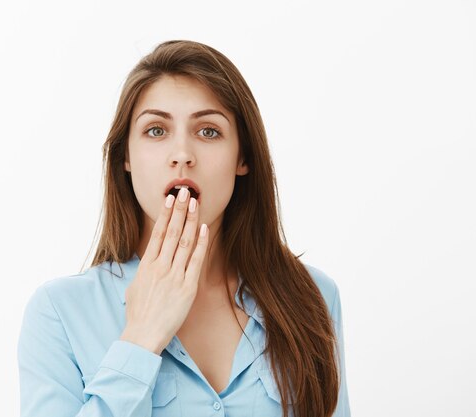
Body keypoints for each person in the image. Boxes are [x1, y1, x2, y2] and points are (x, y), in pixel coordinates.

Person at [17, 39, 351, 417]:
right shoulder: (59, 313)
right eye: (156, 131)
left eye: (208, 131)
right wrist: (141, 339)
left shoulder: (314, 297)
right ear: (125, 156)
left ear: (242, 157)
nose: (182, 154)